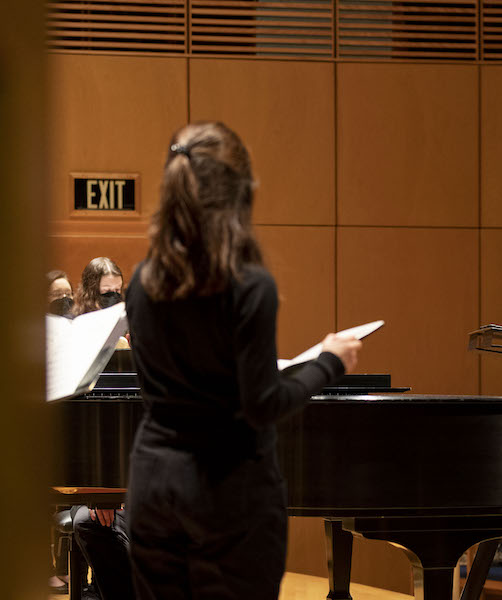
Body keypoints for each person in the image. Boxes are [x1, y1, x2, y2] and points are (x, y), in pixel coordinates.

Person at [124, 121, 361, 600]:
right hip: (227, 491)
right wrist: (331, 361)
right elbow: (261, 404)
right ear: (241, 195)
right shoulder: (249, 286)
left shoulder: (142, 281)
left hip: (152, 485)